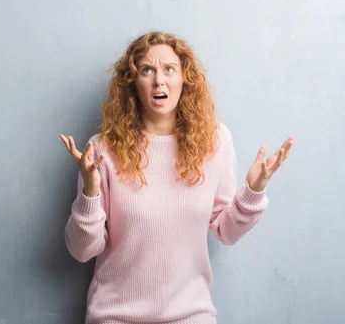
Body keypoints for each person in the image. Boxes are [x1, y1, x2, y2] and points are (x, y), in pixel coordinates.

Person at [59, 31, 293, 324]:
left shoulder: (215, 142)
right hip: (115, 316)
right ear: (133, 84)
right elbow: (82, 251)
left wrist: (254, 190)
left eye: (169, 69)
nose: (159, 80)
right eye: (147, 70)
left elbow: (227, 231)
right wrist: (89, 194)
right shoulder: (103, 150)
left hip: (191, 315)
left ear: (185, 79)